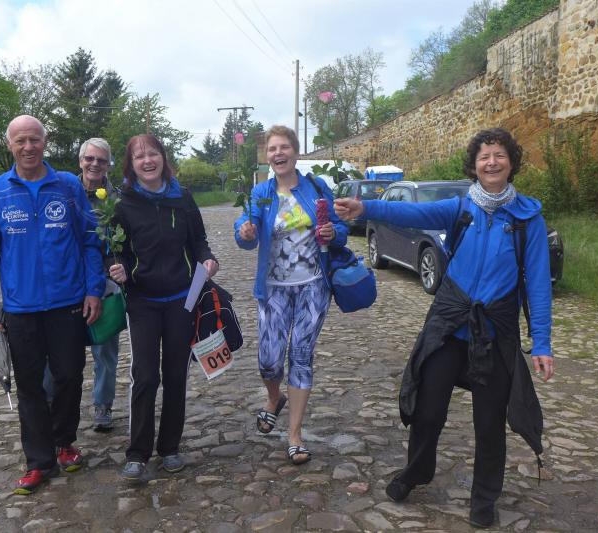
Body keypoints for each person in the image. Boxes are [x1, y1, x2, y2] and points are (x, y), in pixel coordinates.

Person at [335, 127, 554, 528]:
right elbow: (411, 214)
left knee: (489, 423)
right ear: (474, 166)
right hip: (450, 325)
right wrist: (365, 208)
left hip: (495, 330)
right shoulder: (461, 209)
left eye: (499, 155)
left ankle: (484, 498)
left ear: (511, 163)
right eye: (484, 156)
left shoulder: (528, 220)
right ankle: (417, 470)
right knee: (428, 407)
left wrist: (542, 342)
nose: (491, 162)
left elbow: (538, 283)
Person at [0, 115, 104, 495]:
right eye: (21, 140)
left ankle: (64, 443)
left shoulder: (68, 187)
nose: (28, 147)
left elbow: (90, 241)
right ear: (10, 144)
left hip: (68, 304)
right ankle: (38, 461)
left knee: (69, 377)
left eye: (35, 139)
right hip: (21, 309)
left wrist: (93, 289)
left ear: (45, 141)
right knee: (29, 387)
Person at [234, 125, 348, 465]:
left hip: (313, 285)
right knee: (269, 360)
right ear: (267, 156)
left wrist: (333, 232)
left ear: (296, 152)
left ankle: (295, 435)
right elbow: (245, 229)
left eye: (284, 147)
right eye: (272, 149)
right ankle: (274, 399)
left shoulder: (316, 187)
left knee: (300, 354)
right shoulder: (262, 192)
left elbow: (341, 228)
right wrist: (244, 231)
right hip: (273, 289)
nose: (278, 153)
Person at [108, 133, 218, 482]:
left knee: (175, 375)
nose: (147, 161)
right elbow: (114, 250)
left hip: (181, 300)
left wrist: (208, 260)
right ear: (131, 164)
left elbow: (198, 241)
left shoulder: (182, 197)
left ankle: (169, 447)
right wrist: (118, 268)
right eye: (139, 157)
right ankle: (137, 453)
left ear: (163, 157)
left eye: (153, 153)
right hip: (142, 301)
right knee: (145, 376)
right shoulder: (122, 204)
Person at [43, 138, 120, 431]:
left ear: (109, 164)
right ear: (80, 161)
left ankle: (103, 404)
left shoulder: (118, 199)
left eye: (101, 160)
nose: (94, 164)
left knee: (105, 350)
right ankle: (51, 403)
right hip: (66, 283)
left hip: (105, 283)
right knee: (55, 351)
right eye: (89, 158)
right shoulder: (61, 191)